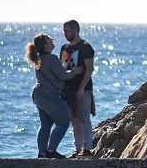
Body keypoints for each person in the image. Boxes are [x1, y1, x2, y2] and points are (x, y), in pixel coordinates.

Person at [25, 33, 83, 159]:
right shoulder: (51, 58)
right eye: (49, 40)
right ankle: (51, 151)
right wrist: (75, 71)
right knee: (63, 123)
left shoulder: (38, 58)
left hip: (37, 95)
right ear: (46, 45)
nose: (52, 40)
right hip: (49, 95)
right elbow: (63, 76)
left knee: (45, 125)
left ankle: (42, 153)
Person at [60, 19, 96, 157]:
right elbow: (62, 65)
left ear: (76, 30)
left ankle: (87, 149)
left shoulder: (85, 47)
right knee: (73, 120)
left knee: (84, 118)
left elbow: (89, 69)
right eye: (64, 31)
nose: (65, 34)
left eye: (67, 31)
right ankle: (78, 148)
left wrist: (81, 88)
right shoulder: (64, 48)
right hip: (67, 90)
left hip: (83, 88)